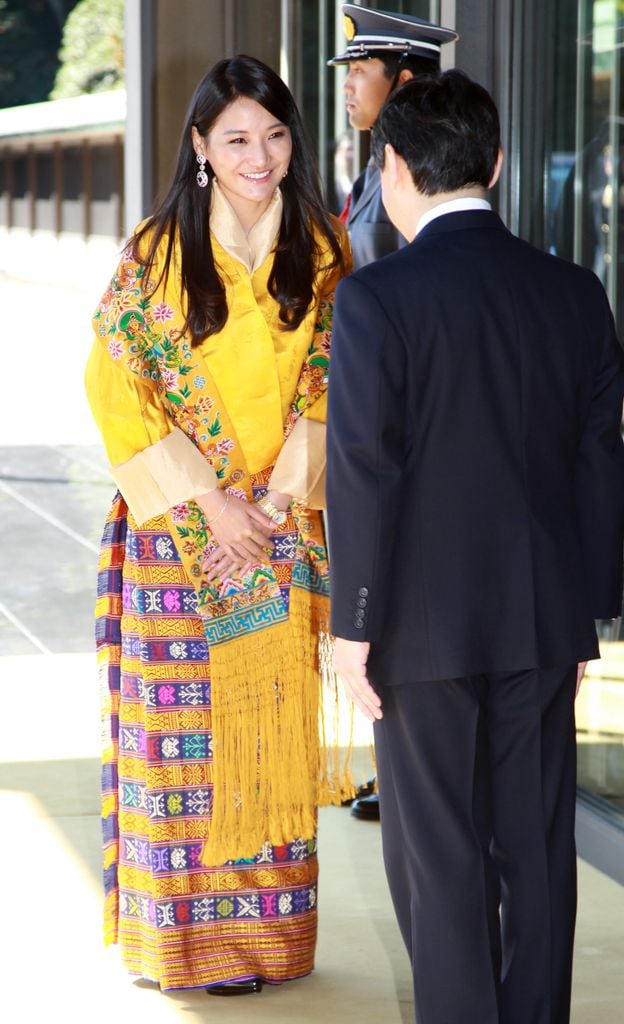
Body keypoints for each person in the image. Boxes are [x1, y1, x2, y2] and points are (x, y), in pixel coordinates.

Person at [326, 70, 624, 1023]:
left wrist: (352, 627)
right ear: (497, 164)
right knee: (534, 848)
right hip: (543, 617)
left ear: (396, 170)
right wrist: (590, 613)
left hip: (419, 625)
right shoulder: (576, 293)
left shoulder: (378, 301)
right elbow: (599, 463)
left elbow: (365, 472)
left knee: (437, 853)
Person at [85, 54, 352, 996]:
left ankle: (268, 943)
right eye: (237, 137)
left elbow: (338, 380)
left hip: (279, 525)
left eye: (276, 136)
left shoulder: (320, 250)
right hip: (177, 531)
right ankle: (180, 943)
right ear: (199, 146)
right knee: (180, 738)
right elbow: (117, 387)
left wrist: (274, 500)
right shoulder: (155, 253)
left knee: (268, 731)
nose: (260, 156)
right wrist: (211, 500)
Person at [328, 2, 456, 820]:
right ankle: (388, 766)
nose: (350, 90)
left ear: (402, 78)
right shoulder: (375, 175)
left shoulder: (412, 187)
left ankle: (401, 766)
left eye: (361, 73)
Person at [329, 4, 457, 269]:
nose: (346, 85)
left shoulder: (418, 166)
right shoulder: (379, 162)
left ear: (403, 80)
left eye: (359, 70)